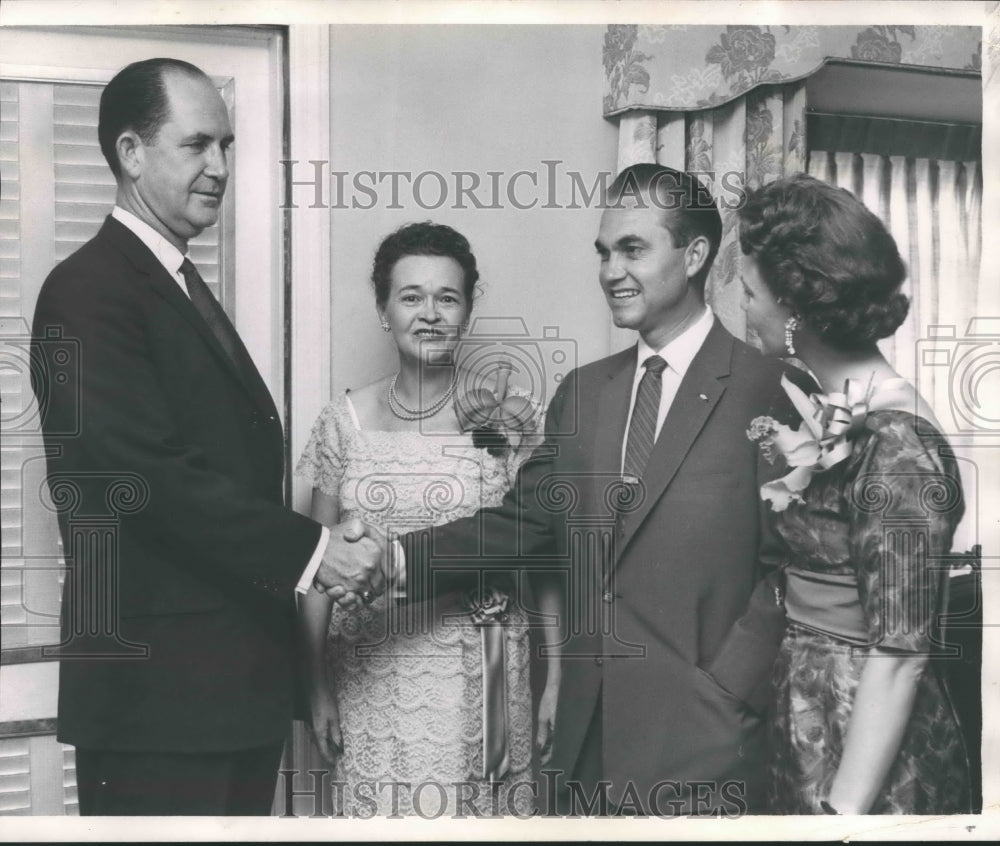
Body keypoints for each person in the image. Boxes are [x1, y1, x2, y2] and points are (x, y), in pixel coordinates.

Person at [344, 164, 810, 815]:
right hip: (585, 748)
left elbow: (791, 569)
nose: (610, 270)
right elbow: (521, 525)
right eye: (603, 252)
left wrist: (730, 693)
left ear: (696, 254)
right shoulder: (584, 394)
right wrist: (393, 560)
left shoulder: (775, 392)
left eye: (633, 249)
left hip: (709, 746)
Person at [30, 58, 382, 816]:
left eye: (227, 146)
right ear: (130, 154)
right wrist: (318, 551)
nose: (220, 167)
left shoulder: (171, 282)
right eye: (197, 146)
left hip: (226, 695)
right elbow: (148, 477)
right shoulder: (86, 291)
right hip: (156, 704)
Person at [296, 221, 554, 816]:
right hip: (369, 670)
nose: (430, 314)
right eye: (411, 296)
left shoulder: (511, 417)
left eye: (448, 297)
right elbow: (314, 565)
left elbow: (542, 553)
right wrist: (314, 687)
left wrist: (557, 681)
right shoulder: (343, 423)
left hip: (481, 668)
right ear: (383, 308)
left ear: (467, 309)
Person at [737, 173, 971, 814]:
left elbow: (901, 655)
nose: (746, 309)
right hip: (813, 713)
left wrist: (840, 817)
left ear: (793, 309)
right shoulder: (838, 409)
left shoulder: (897, 444)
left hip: (866, 744)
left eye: (750, 293)